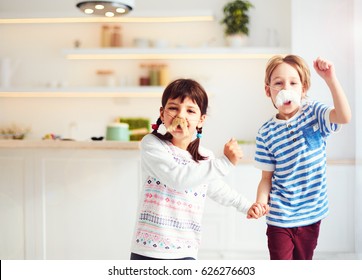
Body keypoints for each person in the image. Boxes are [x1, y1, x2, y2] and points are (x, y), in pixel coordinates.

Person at [130, 78, 267, 260]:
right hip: (149, 250)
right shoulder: (153, 145)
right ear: (162, 114)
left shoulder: (205, 157)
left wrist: (246, 206)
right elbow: (178, 178)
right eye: (173, 108)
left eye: (190, 110)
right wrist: (225, 163)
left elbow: (217, 189)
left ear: (201, 120)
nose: (181, 116)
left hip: (185, 250)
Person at [254, 55, 352, 260]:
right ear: (267, 91)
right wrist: (261, 202)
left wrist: (330, 79)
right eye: (278, 83)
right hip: (280, 216)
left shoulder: (314, 112)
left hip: (311, 213)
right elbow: (266, 178)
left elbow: (344, 117)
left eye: (293, 82)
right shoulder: (266, 133)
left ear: (303, 88)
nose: (285, 88)